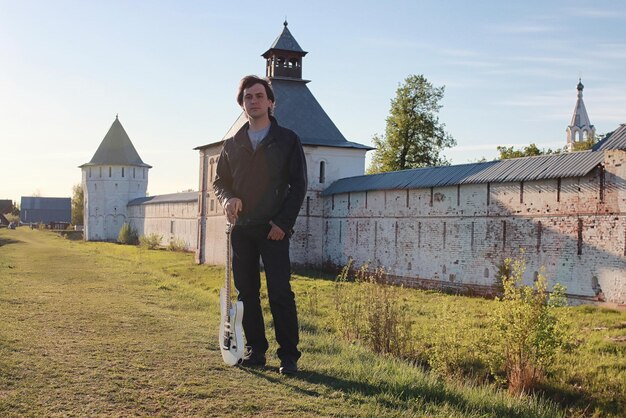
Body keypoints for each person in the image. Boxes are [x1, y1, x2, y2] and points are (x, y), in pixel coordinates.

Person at [213, 75, 308, 375]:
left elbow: (299, 184)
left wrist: (283, 223)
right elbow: (220, 182)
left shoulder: (287, 140)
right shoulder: (232, 144)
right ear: (242, 105)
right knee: (247, 293)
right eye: (247, 97)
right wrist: (227, 199)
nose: (253, 101)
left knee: (280, 291)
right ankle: (255, 350)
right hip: (242, 229)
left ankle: (289, 356)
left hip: (273, 230)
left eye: (258, 96)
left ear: (270, 101)